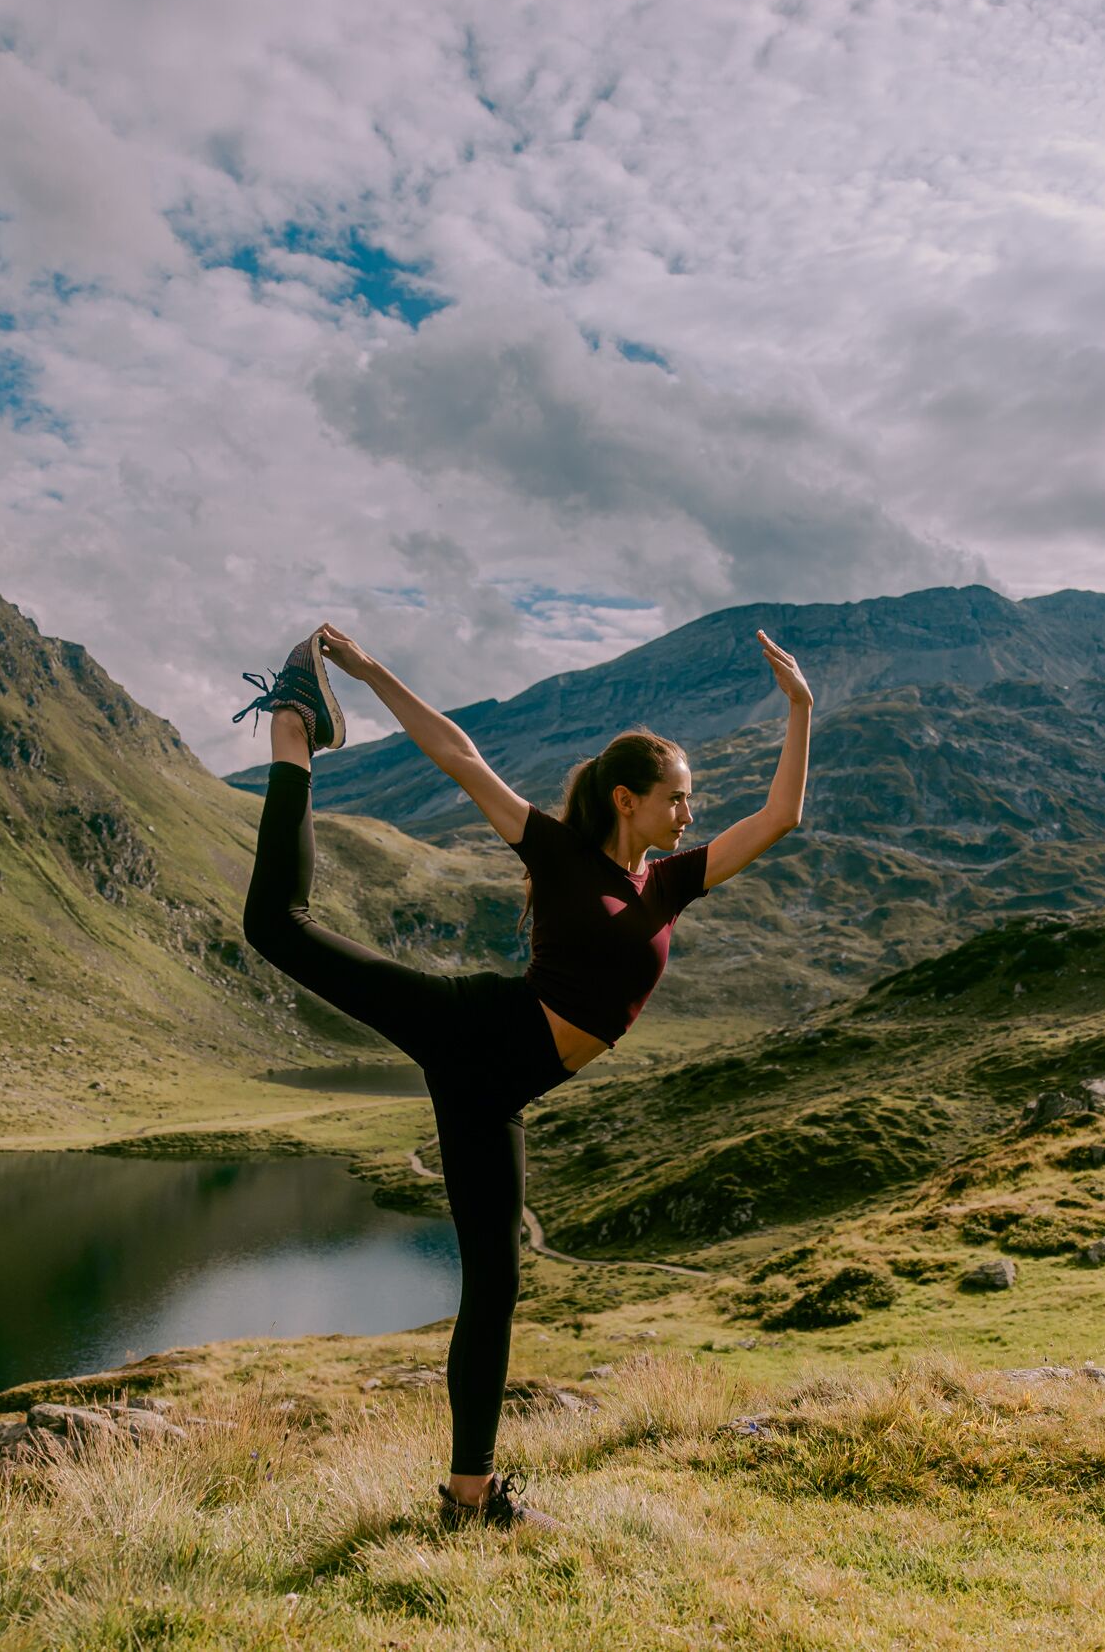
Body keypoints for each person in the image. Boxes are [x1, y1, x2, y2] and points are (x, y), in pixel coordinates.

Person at [231, 620, 813, 1530]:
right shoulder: (559, 853)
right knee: (277, 925)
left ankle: (470, 1497)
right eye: (678, 799)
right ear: (628, 799)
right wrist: (372, 668)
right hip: (473, 1027)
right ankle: (296, 728)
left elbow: (780, 818)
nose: (689, 815)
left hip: (495, 1090)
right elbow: (459, 757)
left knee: (495, 1285)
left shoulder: (669, 885)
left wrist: (800, 709)